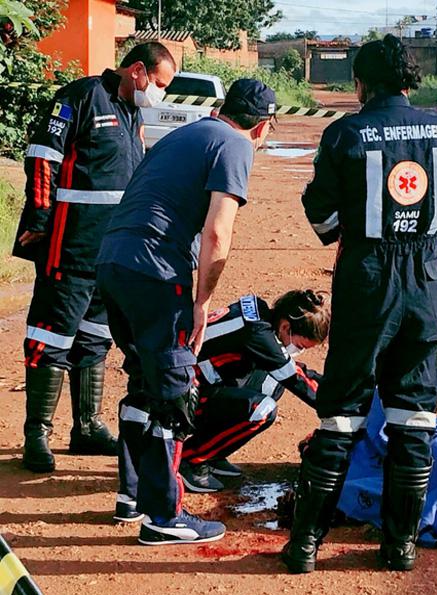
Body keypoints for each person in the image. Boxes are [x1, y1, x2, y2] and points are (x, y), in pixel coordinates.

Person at [284, 33, 437, 574]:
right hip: (428, 279)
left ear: (360, 82)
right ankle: (400, 548)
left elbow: (320, 215)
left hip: (366, 277)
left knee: (340, 413)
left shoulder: (344, 134)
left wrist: (366, 227)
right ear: (411, 80)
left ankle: (304, 548)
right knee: (414, 417)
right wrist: (420, 230)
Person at [95, 79, 276, 544]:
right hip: (158, 269)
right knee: (176, 391)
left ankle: (131, 497)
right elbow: (218, 233)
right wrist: (202, 302)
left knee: (143, 380)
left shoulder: (187, 134)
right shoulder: (236, 144)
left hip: (114, 260)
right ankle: (165, 517)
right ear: (262, 125)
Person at [13, 43, 176, 473]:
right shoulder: (80, 97)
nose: (156, 94)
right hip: (70, 244)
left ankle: (87, 426)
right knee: (52, 337)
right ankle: (38, 434)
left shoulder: (132, 113)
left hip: (113, 252)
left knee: (94, 337)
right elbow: (43, 156)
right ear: (137, 70)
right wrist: (41, 215)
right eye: (156, 84)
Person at [177, 291, 329, 493]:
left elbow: (293, 368)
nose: (298, 350)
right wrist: (338, 406)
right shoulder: (258, 334)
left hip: (204, 380)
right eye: (300, 346)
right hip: (182, 394)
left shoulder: (260, 319)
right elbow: (296, 379)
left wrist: (338, 387)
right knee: (262, 409)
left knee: (271, 383)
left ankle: (212, 452)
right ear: (285, 326)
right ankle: (190, 459)